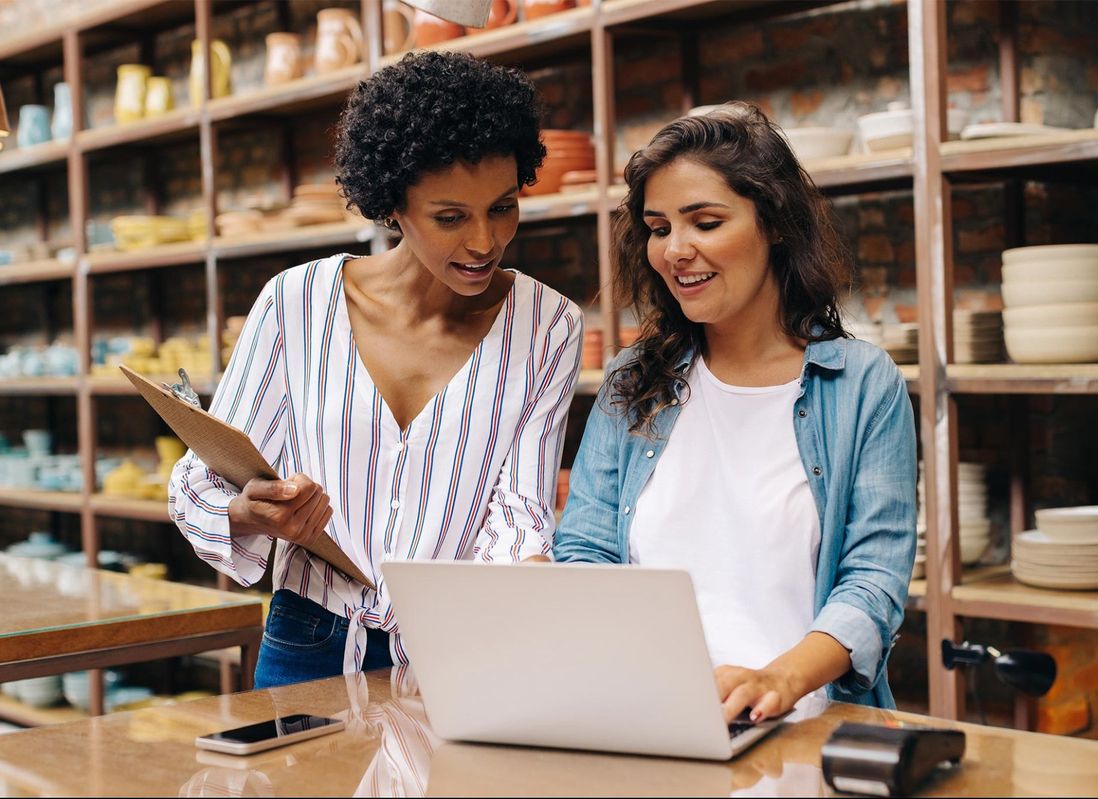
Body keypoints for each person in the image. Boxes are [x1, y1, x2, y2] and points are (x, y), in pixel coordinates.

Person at [169, 51, 582, 688]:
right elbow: (206, 480)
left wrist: (535, 582)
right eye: (450, 217)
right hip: (309, 637)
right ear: (392, 205)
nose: (484, 241)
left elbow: (519, 507)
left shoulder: (547, 323)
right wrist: (257, 513)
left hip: (464, 648)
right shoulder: (296, 303)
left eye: (502, 207)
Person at [553, 103, 916, 721]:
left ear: (773, 223)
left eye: (706, 222)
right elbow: (585, 550)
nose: (675, 250)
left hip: (798, 723)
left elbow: (873, 580)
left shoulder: (860, 384)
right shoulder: (632, 380)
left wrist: (778, 680)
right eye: (660, 227)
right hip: (649, 719)